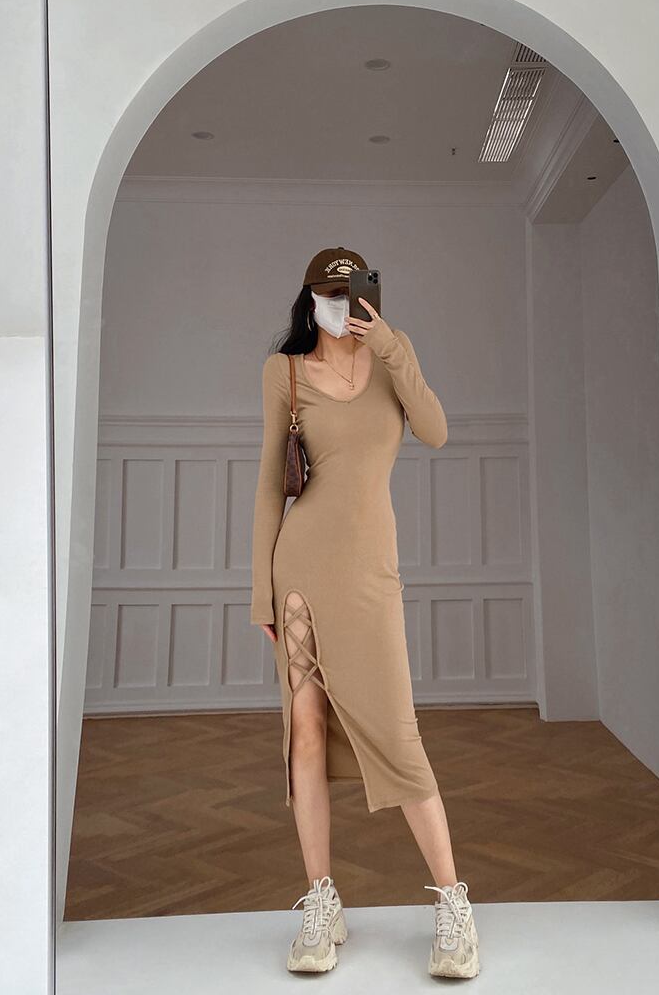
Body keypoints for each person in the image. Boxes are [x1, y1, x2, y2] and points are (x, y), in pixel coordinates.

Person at [250, 246, 480, 978]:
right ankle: (321, 902)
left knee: (399, 734)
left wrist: (389, 345)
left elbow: (436, 430)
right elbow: (270, 484)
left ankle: (454, 905)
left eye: (350, 293)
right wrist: (260, 590)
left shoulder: (390, 358)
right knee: (305, 733)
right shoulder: (285, 372)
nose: (339, 305)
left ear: (369, 296)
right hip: (300, 574)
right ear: (309, 298)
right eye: (328, 293)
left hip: (371, 574)